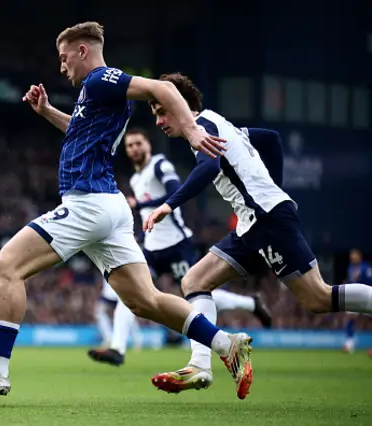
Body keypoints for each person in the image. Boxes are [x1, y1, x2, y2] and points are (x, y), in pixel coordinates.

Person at [0, 22, 254, 400]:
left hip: (87, 202)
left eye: (63, 58)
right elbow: (78, 131)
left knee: (7, 266)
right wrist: (46, 112)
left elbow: (164, 88)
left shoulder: (99, 80)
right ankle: (226, 344)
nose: (62, 68)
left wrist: (190, 130)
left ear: (82, 51)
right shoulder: (96, 96)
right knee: (146, 301)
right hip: (109, 206)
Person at [143, 72, 372, 395]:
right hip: (253, 222)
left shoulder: (204, 126)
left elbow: (208, 168)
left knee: (318, 298)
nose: (159, 120)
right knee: (194, 282)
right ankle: (200, 365)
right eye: (155, 114)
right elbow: (271, 139)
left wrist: (169, 204)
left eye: (162, 110)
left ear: (182, 105)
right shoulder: (224, 126)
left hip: (267, 219)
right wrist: (273, 186)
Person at [88, 128, 272, 367]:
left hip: (176, 245)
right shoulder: (136, 178)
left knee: (196, 294)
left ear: (148, 145)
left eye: (138, 143)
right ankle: (117, 348)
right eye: (130, 145)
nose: (134, 149)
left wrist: (141, 203)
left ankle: (251, 304)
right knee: (132, 289)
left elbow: (175, 191)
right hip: (152, 248)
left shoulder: (160, 165)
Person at [94, 277, 143, 351]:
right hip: (108, 295)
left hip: (122, 294)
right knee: (98, 313)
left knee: (128, 317)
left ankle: (137, 340)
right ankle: (108, 338)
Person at [342, 249, 372, 353]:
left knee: (369, 321)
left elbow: (369, 282)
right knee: (350, 318)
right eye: (351, 255)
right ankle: (349, 344)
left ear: (359, 256)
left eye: (354, 255)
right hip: (355, 297)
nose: (352, 257)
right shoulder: (350, 268)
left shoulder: (365, 268)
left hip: (366, 296)